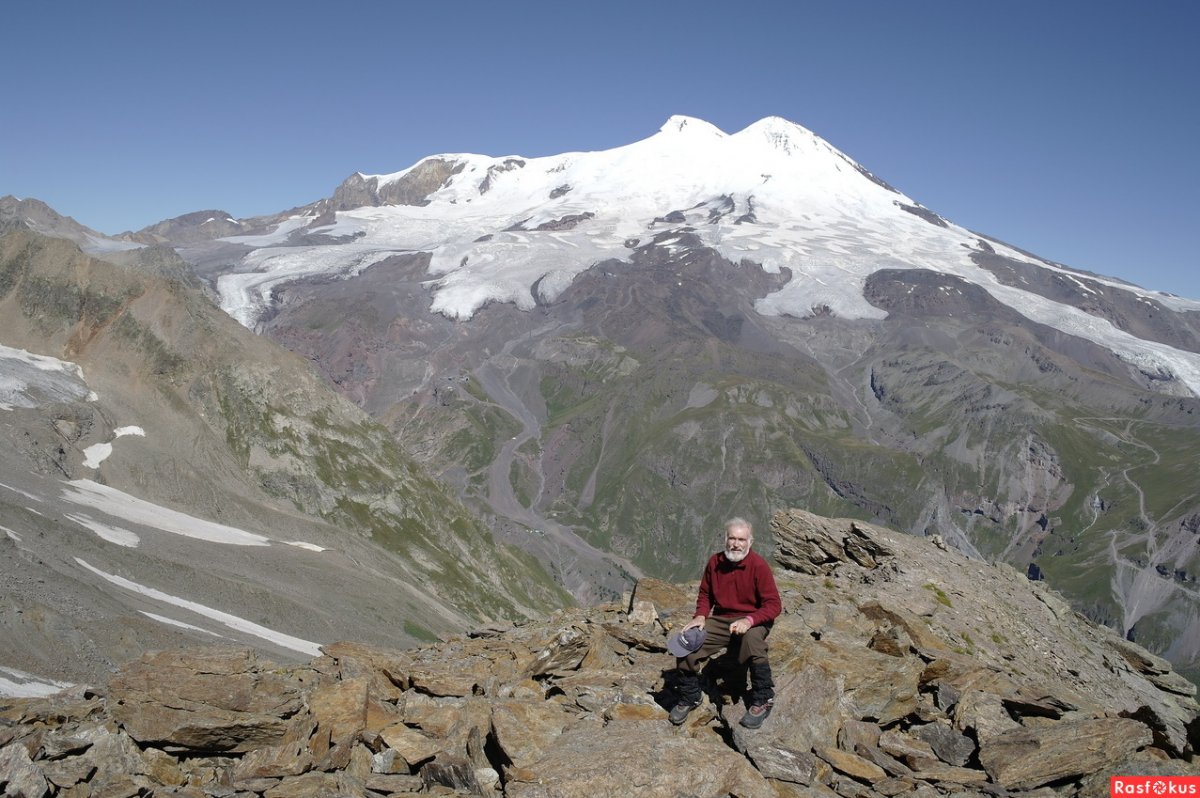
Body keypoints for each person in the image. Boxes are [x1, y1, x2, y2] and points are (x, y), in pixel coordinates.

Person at [669, 517, 781, 728]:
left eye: (741, 539)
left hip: (754, 618)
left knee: (752, 642)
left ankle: (763, 697)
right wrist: (701, 615)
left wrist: (749, 620)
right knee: (686, 643)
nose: (736, 544)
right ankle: (690, 695)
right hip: (721, 619)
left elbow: (773, 605)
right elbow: (705, 594)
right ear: (725, 539)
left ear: (750, 541)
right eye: (732, 538)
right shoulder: (715, 563)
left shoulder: (758, 566)